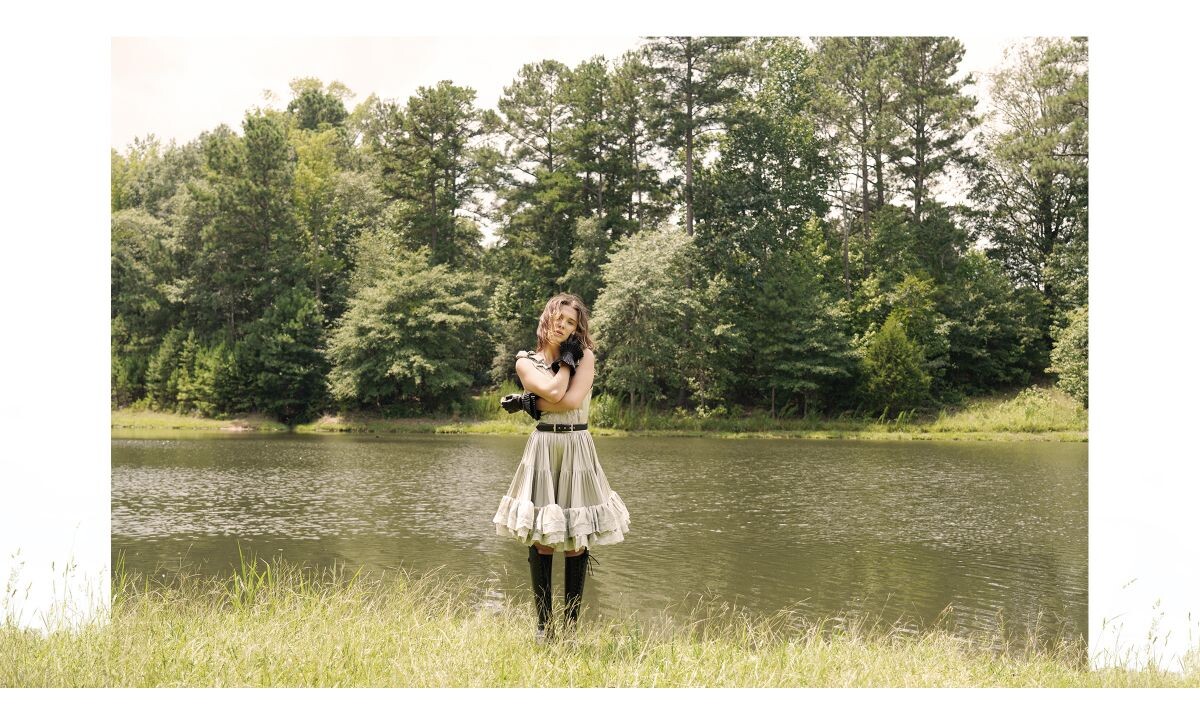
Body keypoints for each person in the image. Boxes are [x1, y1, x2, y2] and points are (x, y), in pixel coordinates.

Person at [493, 292, 631, 643]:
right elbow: (554, 392)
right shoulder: (526, 362)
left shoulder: (586, 356)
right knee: (542, 538)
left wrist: (527, 402)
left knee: (575, 540)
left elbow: (569, 400)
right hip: (544, 449)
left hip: (577, 447)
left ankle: (570, 630)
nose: (564, 325)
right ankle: (544, 628)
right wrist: (561, 368)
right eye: (559, 318)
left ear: (576, 328)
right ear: (547, 317)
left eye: (571, 322)